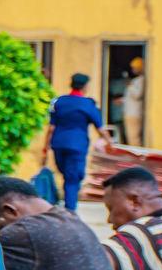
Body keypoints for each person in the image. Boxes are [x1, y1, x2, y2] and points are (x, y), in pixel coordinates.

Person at [43, 72, 112, 211]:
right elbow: (101, 129)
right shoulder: (88, 104)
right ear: (85, 87)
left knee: (67, 176)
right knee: (73, 179)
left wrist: (45, 148)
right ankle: (70, 211)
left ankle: (68, 205)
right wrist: (110, 143)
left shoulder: (58, 101)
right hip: (77, 146)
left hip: (58, 145)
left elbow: (51, 128)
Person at [123, 58, 145, 146]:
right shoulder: (136, 80)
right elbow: (131, 97)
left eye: (135, 68)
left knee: (134, 139)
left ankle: (136, 159)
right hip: (130, 113)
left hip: (134, 114)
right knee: (131, 138)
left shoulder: (141, 80)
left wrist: (130, 85)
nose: (133, 70)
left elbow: (137, 95)